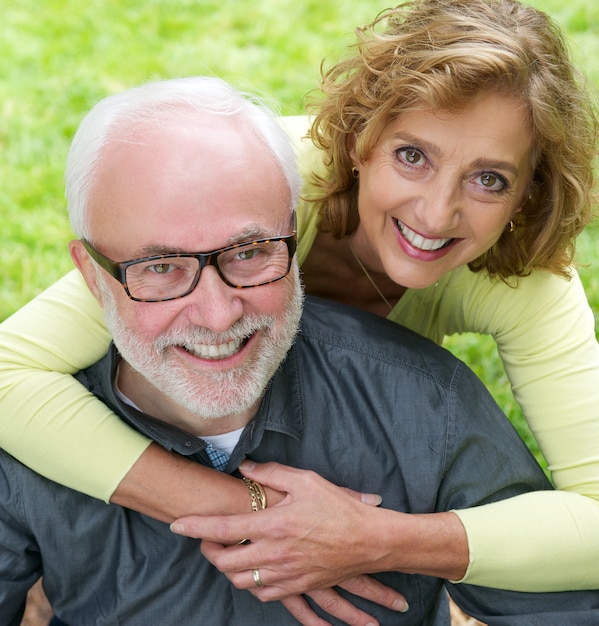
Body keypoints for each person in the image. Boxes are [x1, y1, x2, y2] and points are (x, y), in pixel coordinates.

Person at [0, 0, 598, 601]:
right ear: (360, 137)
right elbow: (7, 374)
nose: (436, 212)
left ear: (528, 193)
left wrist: (378, 540)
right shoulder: (252, 184)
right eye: (412, 155)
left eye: (489, 178)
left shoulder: (528, 279)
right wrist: (249, 514)